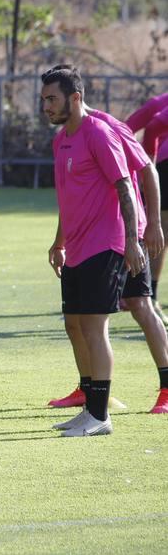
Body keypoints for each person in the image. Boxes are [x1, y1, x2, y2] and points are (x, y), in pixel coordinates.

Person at [48, 69, 168, 416]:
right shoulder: (65, 137)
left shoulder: (108, 128)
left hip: (123, 234)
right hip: (90, 237)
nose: (47, 105)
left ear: (75, 96)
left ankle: (165, 386)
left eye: (52, 98)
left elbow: (146, 170)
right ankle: (89, 390)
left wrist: (152, 225)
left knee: (140, 306)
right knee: (76, 319)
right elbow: (70, 195)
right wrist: (60, 240)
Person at [125, 92, 168, 302]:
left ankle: (146, 292)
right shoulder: (160, 103)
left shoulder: (158, 102)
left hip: (158, 169)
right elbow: (131, 129)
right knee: (158, 233)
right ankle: (146, 292)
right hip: (162, 168)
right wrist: (147, 162)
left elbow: (128, 128)